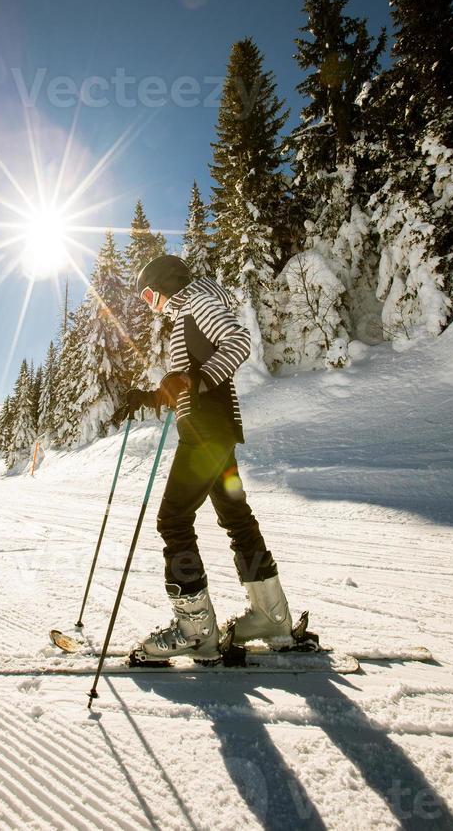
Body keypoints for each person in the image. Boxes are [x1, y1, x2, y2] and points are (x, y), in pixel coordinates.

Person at [118, 255, 295, 664]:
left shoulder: (197, 299)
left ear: (166, 282)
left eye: (149, 294)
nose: (150, 303)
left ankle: (196, 631)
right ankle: (271, 617)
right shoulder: (188, 312)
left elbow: (237, 343)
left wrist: (195, 380)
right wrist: (149, 397)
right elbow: (187, 383)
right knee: (237, 519)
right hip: (215, 433)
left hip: (206, 434)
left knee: (173, 519)